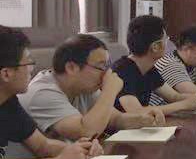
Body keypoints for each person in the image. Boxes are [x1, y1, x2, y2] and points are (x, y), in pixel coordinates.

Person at [0, 27, 103, 159]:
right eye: (28, 63)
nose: (31, 69)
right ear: (6, 74)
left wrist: (79, 150)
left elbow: (42, 145)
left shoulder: (8, 102)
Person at [18, 35, 163, 143]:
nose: (106, 74)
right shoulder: (42, 93)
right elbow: (85, 132)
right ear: (71, 67)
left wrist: (143, 119)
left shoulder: (84, 88)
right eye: (101, 67)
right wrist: (110, 90)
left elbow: (116, 119)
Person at [113, 15, 196, 116]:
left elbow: (173, 96)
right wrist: (183, 105)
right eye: (166, 40)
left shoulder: (148, 68)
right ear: (155, 47)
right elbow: (137, 112)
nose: (167, 44)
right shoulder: (122, 71)